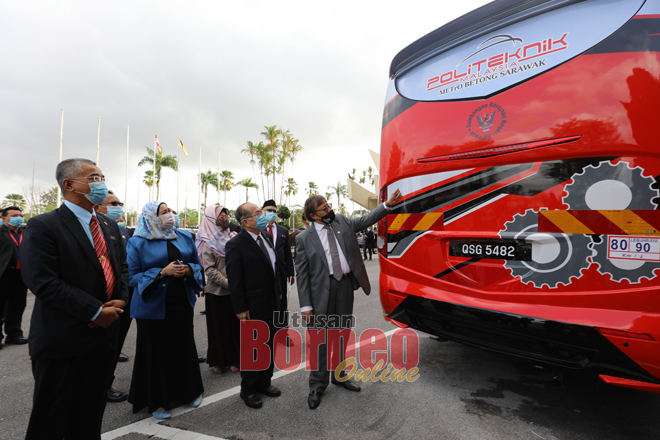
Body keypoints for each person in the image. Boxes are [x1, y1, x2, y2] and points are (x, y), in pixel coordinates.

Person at [21, 158, 129, 440]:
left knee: (90, 413)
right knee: (53, 418)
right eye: (93, 177)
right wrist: (94, 311)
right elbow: (42, 281)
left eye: (102, 176)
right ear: (69, 184)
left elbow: (122, 268)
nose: (101, 183)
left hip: (103, 339)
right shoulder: (44, 225)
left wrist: (121, 301)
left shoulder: (109, 225)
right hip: (63, 339)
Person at [295, 190, 401, 410]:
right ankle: (317, 385)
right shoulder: (304, 238)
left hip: (344, 286)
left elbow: (365, 220)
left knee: (342, 335)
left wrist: (387, 206)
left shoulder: (341, 221)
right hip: (320, 295)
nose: (329, 210)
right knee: (321, 340)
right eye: (324, 208)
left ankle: (340, 375)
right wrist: (305, 305)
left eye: (328, 205)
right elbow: (302, 275)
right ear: (314, 215)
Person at [126, 201, 204, 420]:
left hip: (181, 302)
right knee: (156, 352)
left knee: (183, 346)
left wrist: (188, 270)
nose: (170, 215)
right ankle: (158, 402)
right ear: (151, 217)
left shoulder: (185, 236)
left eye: (171, 211)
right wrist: (162, 271)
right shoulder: (137, 242)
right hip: (151, 306)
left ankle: (189, 392)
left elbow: (197, 265)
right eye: (164, 212)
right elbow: (131, 277)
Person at [225, 202, 283, 409]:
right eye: (258, 213)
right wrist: (240, 308)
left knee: (268, 346)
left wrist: (279, 291)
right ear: (246, 221)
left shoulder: (265, 237)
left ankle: (264, 382)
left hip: (272, 302)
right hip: (252, 306)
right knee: (252, 350)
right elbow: (235, 280)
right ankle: (248, 390)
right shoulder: (236, 244)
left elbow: (272, 268)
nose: (263, 215)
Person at [95, 190, 133, 403]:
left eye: (119, 203)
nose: (118, 207)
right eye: (113, 203)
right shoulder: (88, 230)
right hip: (98, 302)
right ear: (98, 206)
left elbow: (124, 266)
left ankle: (105, 384)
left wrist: (124, 296)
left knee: (114, 343)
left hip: (121, 298)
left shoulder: (121, 231)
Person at [196, 205, 240, 374]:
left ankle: (234, 359)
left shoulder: (234, 237)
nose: (224, 217)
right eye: (220, 215)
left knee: (234, 327)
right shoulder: (206, 240)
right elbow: (209, 269)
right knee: (218, 328)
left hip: (235, 291)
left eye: (226, 214)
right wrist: (228, 283)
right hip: (217, 292)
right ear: (210, 218)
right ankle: (219, 361)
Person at [262, 200, 294, 328]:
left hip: (280, 273)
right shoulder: (258, 229)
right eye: (269, 210)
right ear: (262, 211)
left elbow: (287, 253)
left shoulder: (283, 230)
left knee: (282, 304)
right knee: (266, 303)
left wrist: (290, 272)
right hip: (264, 274)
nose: (272, 213)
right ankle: (268, 331)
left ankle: (282, 331)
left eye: (274, 211)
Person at [0, 206, 28, 348]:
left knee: (18, 305)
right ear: (4, 218)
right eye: (15, 215)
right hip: (4, 273)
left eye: (21, 215)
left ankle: (14, 334)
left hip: (21, 274)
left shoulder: (27, 232)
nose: (19, 217)